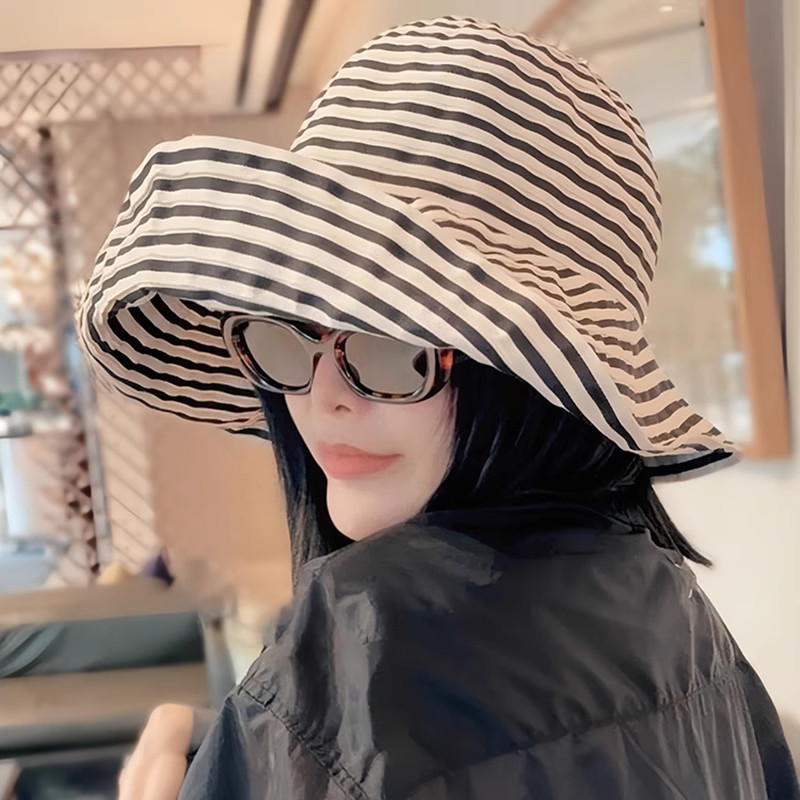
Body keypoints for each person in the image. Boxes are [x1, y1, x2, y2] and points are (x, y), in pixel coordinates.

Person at [79, 17, 799, 800]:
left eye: (392, 346)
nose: (323, 395)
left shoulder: (359, 662)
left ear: (521, 380)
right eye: (286, 335)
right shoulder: (673, 608)